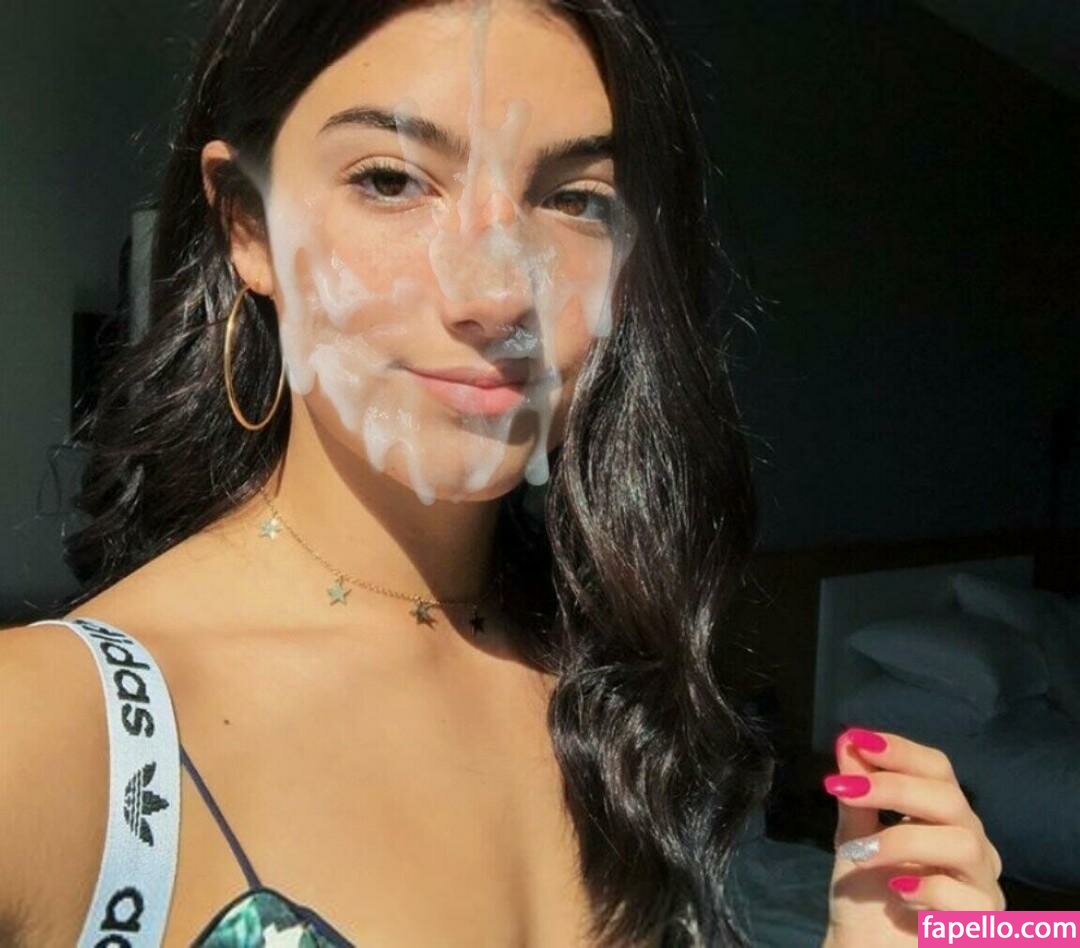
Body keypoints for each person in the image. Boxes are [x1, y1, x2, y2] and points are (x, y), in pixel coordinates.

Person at [0, 1, 1004, 945]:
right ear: (248, 225)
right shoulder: (47, 735)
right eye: (392, 180)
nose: (495, 293)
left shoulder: (617, 683)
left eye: (573, 199)